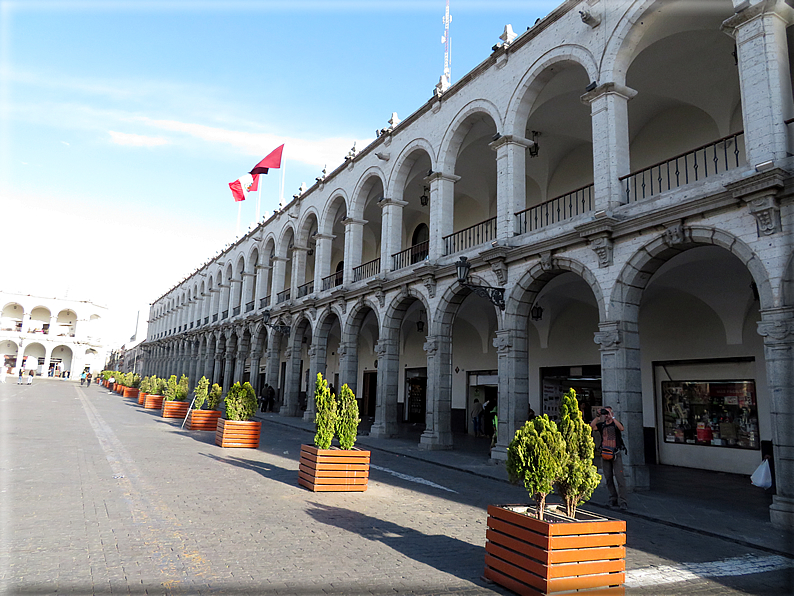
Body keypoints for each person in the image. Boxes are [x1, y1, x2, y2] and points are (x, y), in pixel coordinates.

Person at [591, 406, 628, 510]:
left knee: (620, 478)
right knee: (608, 478)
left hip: (615, 453)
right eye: (605, 413)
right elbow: (592, 426)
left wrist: (613, 417)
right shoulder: (602, 425)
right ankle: (613, 498)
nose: (606, 416)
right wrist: (598, 416)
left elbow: (622, 428)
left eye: (608, 413)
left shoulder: (615, 424)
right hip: (605, 453)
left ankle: (623, 501)